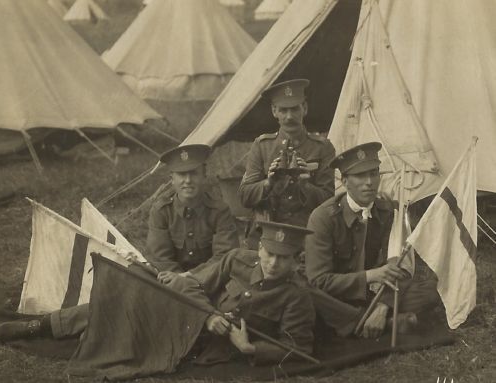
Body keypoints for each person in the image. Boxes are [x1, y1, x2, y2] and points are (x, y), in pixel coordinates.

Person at [0, 221, 316, 366]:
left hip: (204, 346)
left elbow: (298, 346)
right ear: (259, 248)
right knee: (124, 300)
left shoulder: (296, 297)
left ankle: (48, 327)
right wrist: (208, 316)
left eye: (284, 258)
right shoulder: (237, 260)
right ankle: (39, 326)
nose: (273, 263)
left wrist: (249, 349)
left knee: (126, 322)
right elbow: (190, 284)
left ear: (295, 260)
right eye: (269, 253)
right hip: (193, 317)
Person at [305, 142, 440, 339]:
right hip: (336, 293)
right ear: (344, 181)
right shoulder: (323, 217)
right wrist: (371, 275)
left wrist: (383, 306)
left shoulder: (389, 211)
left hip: (372, 294)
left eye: (374, 173)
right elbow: (319, 280)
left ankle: (365, 320)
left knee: (431, 291)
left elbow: (399, 267)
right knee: (307, 293)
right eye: (360, 176)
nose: (369, 182)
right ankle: (377, 324)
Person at [238, 79, 335, 229]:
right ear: (274, 111)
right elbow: (245, 197)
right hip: (269, 228)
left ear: (305, 108)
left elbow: (329, 200)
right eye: (283, 110)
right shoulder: (262, 146)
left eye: (295, 109)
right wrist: (268, 183)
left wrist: (305, 186)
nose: (289, 117)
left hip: (308, 229)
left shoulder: (322, 147)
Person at [145, 144, 239, 282]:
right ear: (172, 179)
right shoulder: (161, 211)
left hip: (211, 279)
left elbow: (225, 255)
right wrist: (178, 279)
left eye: (194, 173)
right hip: (171, 281)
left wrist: (189, 276)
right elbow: (160, 258)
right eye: (182, 174)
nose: (188, 181)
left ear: (203, 175)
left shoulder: (219, 210)